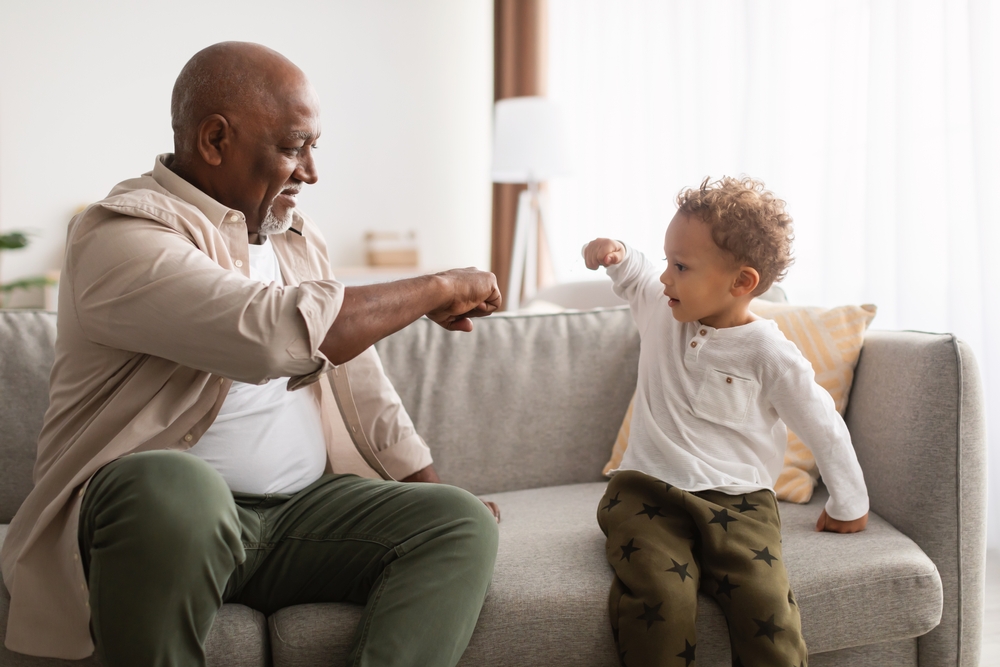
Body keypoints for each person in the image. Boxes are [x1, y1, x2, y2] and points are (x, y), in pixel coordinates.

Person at [1, 42, 502, 667]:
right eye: (294, 147)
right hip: (163, 527)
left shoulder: (294, 233)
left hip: (296, 519)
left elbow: (359, 381)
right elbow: (270, 335)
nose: (311, 172)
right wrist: (438, 286)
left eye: (313, 146)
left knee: (456, 521)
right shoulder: (120, 236)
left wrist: (430, 488)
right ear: (215, 141)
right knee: (180, 488)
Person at [582, 177, 870, 667]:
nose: (665, 278)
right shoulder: (659, 308)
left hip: (741, 503)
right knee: (661, 602)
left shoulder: (769, 352)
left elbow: (822, 423)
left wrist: (849, 501)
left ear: (741, 283)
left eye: (680, 266)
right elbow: (635, 273)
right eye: (666, 260)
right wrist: (612, 251)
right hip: (645, 491)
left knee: (767, 608)